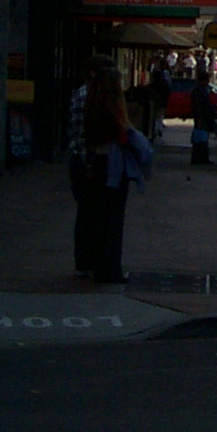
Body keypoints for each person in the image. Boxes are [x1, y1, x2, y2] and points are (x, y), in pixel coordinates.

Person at [83, 60, 152, 284]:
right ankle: (111, 268)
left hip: (98, 162)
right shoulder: (113, 110)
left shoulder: (91, 106)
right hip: (113, 164)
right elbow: (122, 137)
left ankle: (99, 266)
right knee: (114, 219)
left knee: (101, 217)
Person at [68, 54, 114, 274]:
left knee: (88, 212)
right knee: (90, 213)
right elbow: (82, 135)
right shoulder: (89, 96)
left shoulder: (86, 94)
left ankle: (86, 260)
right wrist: (88, 164)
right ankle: (86, 260)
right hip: (87, 161)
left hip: (84, 160)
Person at [190, 71, 216, 165]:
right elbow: (199, 105)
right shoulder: (199, 91)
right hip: (201, 117)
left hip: (203, 116)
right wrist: (200, 117)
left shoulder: (201, 90)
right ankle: (200, 157)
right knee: (201, 138)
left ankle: (200, 157)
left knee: (201, 137)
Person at [148, 59, 170, 140]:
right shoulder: (164, 76)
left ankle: (157, 128)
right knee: (159, 114)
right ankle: (158, 128)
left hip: (159, 97)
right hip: (161, 97)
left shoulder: (161, 75)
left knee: (157, 114)